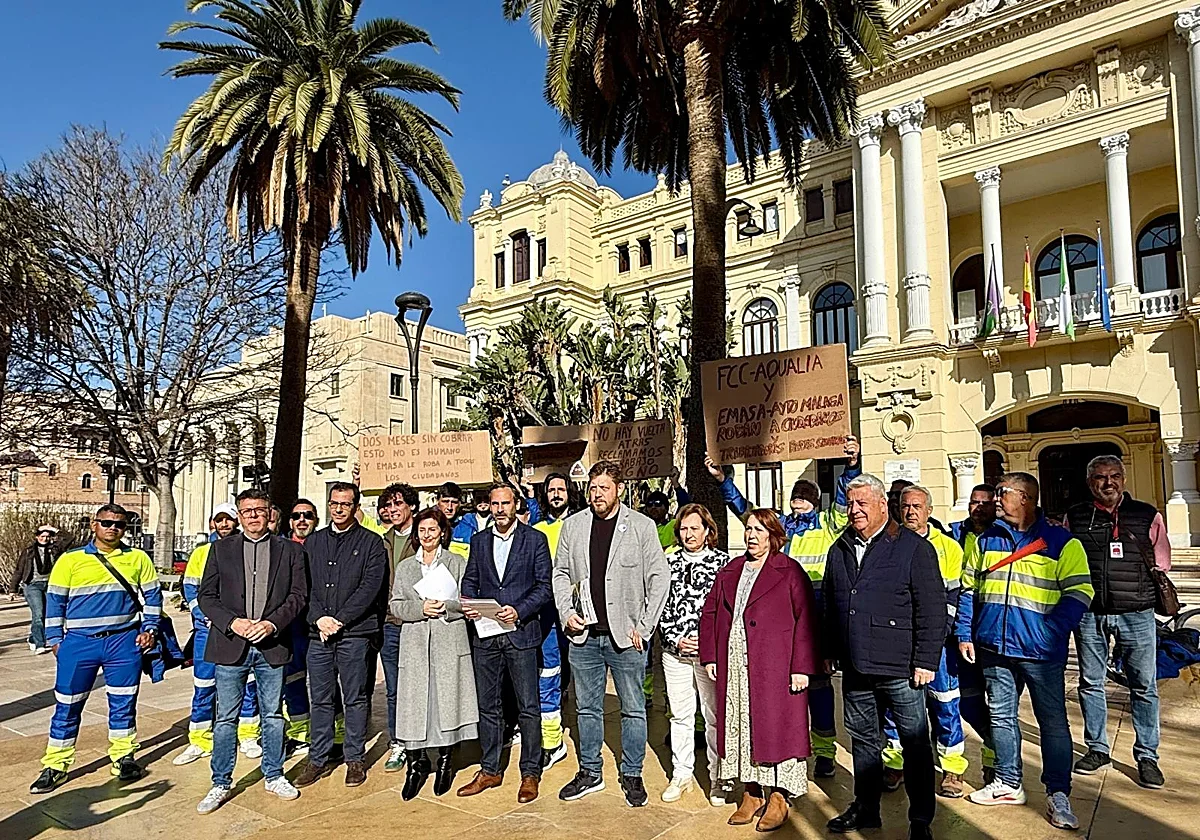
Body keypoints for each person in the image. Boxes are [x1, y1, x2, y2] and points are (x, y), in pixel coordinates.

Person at [706, 433, 860, 778]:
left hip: (815, 618)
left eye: (806, 498)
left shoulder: (829, 524)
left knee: (818, 689)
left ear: (815, 502)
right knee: (780, 692)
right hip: (778, 622)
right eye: (796, 497)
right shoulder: (781, 527)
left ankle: (824, 751)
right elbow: (745, 510)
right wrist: (723, 480)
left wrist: (851, 464)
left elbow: (842, 498)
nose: (799, 503)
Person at [957, 472, 1093, 830]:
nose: (995, 499)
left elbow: (1080, 593)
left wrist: (1051, 631)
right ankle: (1007, 782)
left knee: (1052, 722)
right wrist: (965, 633)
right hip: (994, 647)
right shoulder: (985, 540)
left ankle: (1058, 792)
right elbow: (969, 589)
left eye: (1002, 493)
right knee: (1001, 716)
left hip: (1041, 652)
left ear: (1026, 498)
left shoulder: (1062, 543)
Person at [823, 474, 945, 840]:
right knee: (863, 742)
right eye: (850, 503)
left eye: (862, 503)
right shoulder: (840, 547)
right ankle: (866, 809)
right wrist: (829, 649)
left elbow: (932, 608)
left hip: (901, 667)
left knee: (915, 744)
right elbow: (830, 603)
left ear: (881, 505)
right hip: (856, 664)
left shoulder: (913, 548)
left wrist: (926, 661)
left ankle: (920, 820)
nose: (854, 510)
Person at [551, 461, 670, 807]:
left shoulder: (641, 526)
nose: (597, 494)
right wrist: (566, 612)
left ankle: (632, 773)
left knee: (633, 708)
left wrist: (645, 626)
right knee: (586, 707)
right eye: (592, 487)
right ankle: (590, 771)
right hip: (584, 636)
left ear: (619, 489)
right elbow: (560, 573)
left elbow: (659, 577)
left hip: (627, 637)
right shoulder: (573, 526)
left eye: (603, 487)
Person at [698, 509, 817, 832]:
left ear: (773, 535)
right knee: (741, 725)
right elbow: (710, 613)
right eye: (749, 529)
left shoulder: (789, 570)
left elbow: (806, 618)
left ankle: (778, 797)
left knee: (775, 729)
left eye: (759, 530)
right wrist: (711, 656)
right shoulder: (731, 570)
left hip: (775, 666)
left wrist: (801, 667)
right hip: (734, 664)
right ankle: (751, 794)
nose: (751, 535)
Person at [30, 504, 162, 794]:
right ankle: (56, 765)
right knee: (67, 705)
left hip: (123, 642)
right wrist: (55, 639)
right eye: (106, 523)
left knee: (124, 702)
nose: (113, 528)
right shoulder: (70, 559)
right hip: (79, 643)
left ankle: (123, 757)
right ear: (94, 524)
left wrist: (150, 629)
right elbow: (55, 601)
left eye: (119, 524)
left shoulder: (138, 558)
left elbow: (153, 597)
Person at [194, 488, 308, 814]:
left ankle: (274, 774)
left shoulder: (290, 550)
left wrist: (272, 624)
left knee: (272, 715)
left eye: (260, 510)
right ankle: (220, 782)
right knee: (225, 718)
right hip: (232, 645)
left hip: (272, 645)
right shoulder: (220, 549)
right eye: (247, 511)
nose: (254, 516)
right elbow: (207, 597)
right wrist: (233, 623)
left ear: (270, 513)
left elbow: (298, 596)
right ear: (240, 516)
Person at [882, 485, 992, 799]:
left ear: (929, 511)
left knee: (945, 702)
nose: (910, 512)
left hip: (938, 643)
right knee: (893, 706)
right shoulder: (887, 544)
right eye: (905, 506)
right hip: (898, 641)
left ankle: (952, 769)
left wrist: (935, 636)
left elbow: (953, 597)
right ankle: (894, 763)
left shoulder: (948, 548)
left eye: (917, 506)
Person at [1065, 455, 1168, 789]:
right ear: (1089, 482)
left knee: (1144, 686)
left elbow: (1162, 561)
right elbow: (1064, 560)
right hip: (1090, 613)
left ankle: (1148, 756)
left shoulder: (1147, 515)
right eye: (1100, 477)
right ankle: (1097, 749)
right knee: (1090, 683)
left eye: (1114, 476)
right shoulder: (1076, 516)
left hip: (1137, 612)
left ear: (1123, 479)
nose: (1108, 483)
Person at [458, 484, 553, 802]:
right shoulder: (479, 540)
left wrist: (520, 610)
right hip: (486, 635)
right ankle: (490, 769)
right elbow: (471, 579)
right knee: (488, 706)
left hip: (520, 633)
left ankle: (530, 772)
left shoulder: (534, 539)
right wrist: (468, 601)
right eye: (495, 503)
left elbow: (544, 586)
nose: (499, 509)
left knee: (528, 706)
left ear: (516, 505)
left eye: (505, 503)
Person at [294, 482, 388, 789]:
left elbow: (370, 588)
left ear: (355, 507)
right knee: (321, 698)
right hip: (319, 633)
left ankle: (354, 759)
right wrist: (319, 618)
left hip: (355, 633)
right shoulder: (313, 542)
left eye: (345, 504)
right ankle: (317, 758)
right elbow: (303, 588)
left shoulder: (372, 543)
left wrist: (340, 620)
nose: (338, 509)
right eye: (334, 503)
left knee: (355, 698)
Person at [391, 507, 479, 800]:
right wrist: (420, 608)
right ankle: (416, 765)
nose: (427, 535)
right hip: (415, 643)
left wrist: (446, 607)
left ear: (442, 532)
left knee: (447, 701)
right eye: (422, 530)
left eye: (432, 529)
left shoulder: (457, 562)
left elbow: (467, 602)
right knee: (414, 704)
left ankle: (445, 761)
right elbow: (395, 605)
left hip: (448, 640)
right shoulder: (405, 567)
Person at [175, 503, 264, 766]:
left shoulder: (246, 548)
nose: (224, 524)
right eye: (219, 520)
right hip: (208, 630)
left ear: (236, 521)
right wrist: (205, 616)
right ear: (212, 523)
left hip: (241, 630)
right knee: (204, 685)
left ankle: (248, 736)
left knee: (248, 685)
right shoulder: (201, 553)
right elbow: (191, 590)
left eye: (228, 519)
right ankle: (200, 740)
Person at [657, 503, 730, 805]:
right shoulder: (668, 562)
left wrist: (707, 642)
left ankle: (719, 777)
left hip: (709, 655)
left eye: (694, 528)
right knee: (680, 715)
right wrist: (675, 638)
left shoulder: (723, 564)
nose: (689, 534)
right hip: (675, 653)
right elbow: (659, 605)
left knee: (714, 716)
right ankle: (682, 773)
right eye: (684, 529)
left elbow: (728, 611)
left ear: (707, 530)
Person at [531, 472, 575, 771]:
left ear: (570, 492)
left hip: (579, 612)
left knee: (582, 675)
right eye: (551, 490)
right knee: (548, 673)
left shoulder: (582, 524)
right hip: (547, 612)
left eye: (561, 489)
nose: (556, 494)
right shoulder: (536, 530)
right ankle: (552, 741)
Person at [379, 482, 419, 773]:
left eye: (398, 504)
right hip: (389, 624)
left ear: (411, 506)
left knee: (420, 685)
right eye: (388, 505)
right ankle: (399, 742)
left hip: (418, 623)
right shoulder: (383, 541)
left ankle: (424, 741)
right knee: (394, 688)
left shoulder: (425, 536)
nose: (392, 510)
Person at [9, 524, 63, 654]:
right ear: (37, 537)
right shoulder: (29, 551)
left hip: (49, 585)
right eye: (42, 536)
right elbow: (19, 570)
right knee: (38, 613)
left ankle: (33, 638)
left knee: (46, 614)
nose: (45, 539)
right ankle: (40, 644)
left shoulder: (54, 549)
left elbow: (68, 538)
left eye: (47, 536)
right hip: (33, 585)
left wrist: (53, 529)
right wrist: (12, 589)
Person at [437, 481, 481, 557]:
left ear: (460, 503)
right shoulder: (427, 525)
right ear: (437, 502)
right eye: (445, 501)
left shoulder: (469, 526)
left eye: (454, 502)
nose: (449, 507)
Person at [950, 485, 996, 554]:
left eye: (985, 504)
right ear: (969, 506)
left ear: (995, 506)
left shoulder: (1003, 535)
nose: (979, 508)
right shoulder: (956, 533)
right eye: (975, 502)